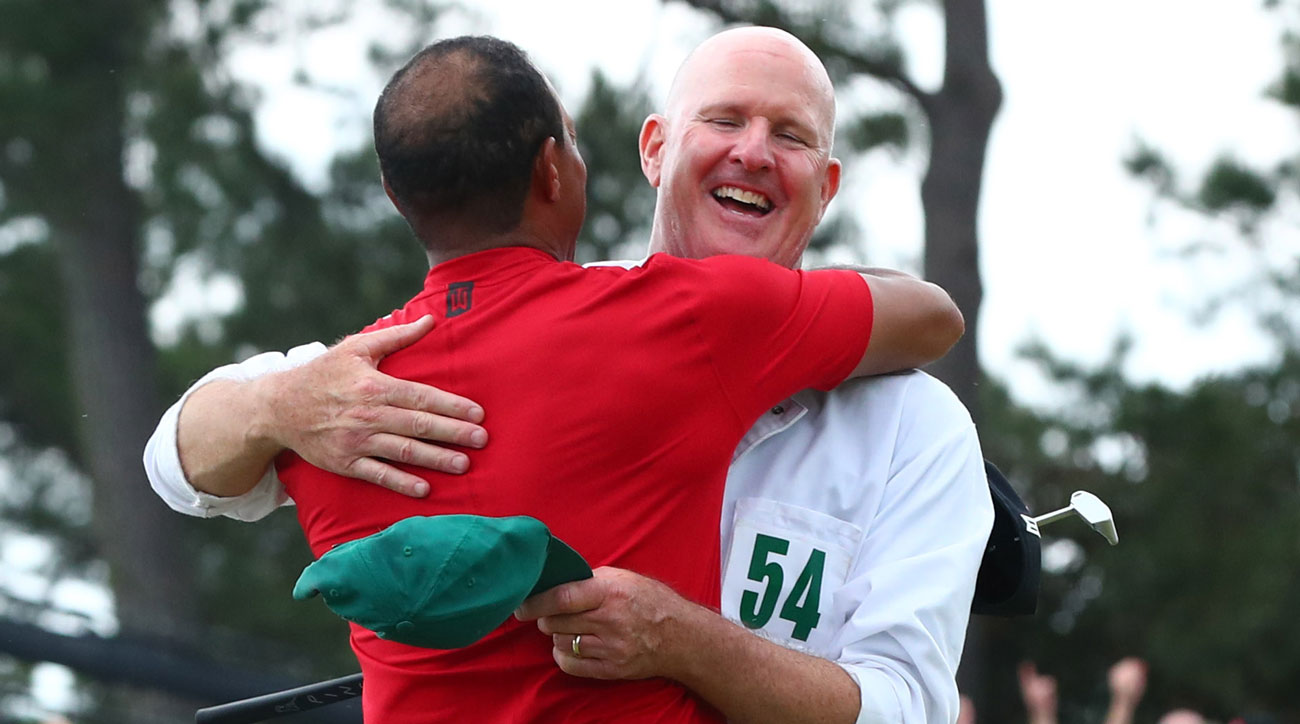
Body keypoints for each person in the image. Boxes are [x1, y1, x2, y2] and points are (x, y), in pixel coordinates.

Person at [145, 27, 988, 724]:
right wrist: (276, 404)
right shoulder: (344, 389)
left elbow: (907, 709)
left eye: (792, 136)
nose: (755, 152)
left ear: (828, 186)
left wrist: (686, 640)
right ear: (651, 152)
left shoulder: (919, 427)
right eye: (724, 120)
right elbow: (173, 461)